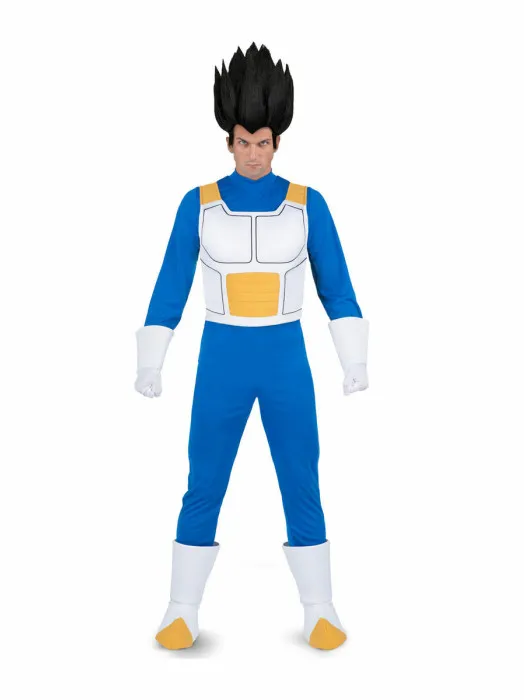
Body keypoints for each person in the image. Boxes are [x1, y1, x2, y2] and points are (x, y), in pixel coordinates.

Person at [135, 42, 369, 651]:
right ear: (229, 142)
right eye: (243, 142)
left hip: (286, 357)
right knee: (204, 477)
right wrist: (152, 359)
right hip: (222, 357)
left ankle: (320, 607)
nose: (254, 153)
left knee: (301, 475)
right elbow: (170, 284)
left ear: (277, 141)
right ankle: (180, 608)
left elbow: (336, 285)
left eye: (263, 142)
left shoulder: (307, 204)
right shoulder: (199, 204)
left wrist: (353, 357)